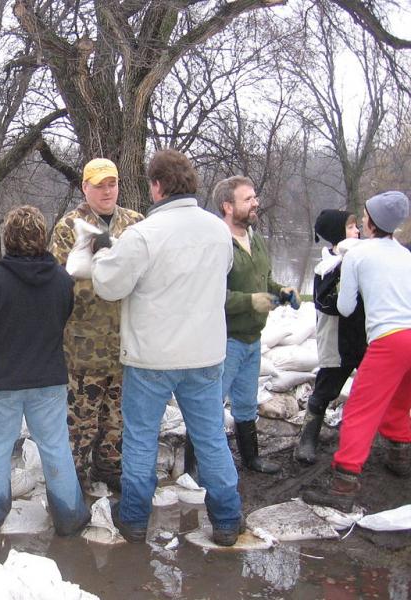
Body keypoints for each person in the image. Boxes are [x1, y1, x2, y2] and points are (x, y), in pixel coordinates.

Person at [91, 150, 243, 546]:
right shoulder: (218, 231)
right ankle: (227, 520)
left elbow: (109, 285)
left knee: (141, 438)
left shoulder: (143, 235)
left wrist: (103, 253)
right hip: (206, 355)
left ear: (156, 186)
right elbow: (223, 271)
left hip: (151, 357)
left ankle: (136, 520)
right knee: (210, 437)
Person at [0, 205, 89, 535]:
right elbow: (66, 314)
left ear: (7, 238)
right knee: (55, 445)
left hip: (2, 382)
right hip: (48, 379)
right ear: (42, 237)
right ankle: (69, 516)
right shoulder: (61, 279)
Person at [303, 191, 411, 511]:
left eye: (364, 216)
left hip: (388, 339)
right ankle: (400, 456)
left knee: (358, 412)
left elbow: (346, 308)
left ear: (372, 222)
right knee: (400, 400)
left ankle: (343, 486)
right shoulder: (406, 255)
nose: (360, 221)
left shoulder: (357, 255)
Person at [49, 158, 143, 490]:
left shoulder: (135, 224)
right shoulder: (68, 227)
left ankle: (109, 467)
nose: (107, 191)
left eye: (112, 184)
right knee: (80, 420)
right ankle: (74, 476)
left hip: (124, 342)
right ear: (84, 187)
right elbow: (55, 281)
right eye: (99, 185)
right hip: (82, 343)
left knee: (117, 418)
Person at [208, 175, 298, 475]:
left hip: (252, 339)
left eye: (254, 196)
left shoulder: (256, 239)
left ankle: (251, 459)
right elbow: (209, 294)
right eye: (248, 199)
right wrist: (250, 302)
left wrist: (281, 290)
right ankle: (199, 468)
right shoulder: (217, 242)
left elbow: (265, 280)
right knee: (210, 406)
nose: (256, 202)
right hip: (224, 340)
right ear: (228, 206)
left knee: (246, 403)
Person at [294, 210, 365, 464]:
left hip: (365, 337)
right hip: (337, 338)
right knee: (327, 388)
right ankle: (308, 439)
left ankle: (357, 438)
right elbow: (325, 302)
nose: (357, 232)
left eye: (357, 226)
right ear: (336, 234)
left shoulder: (363, 258)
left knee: (368, 388)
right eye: (351, 228)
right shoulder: (327, 267)